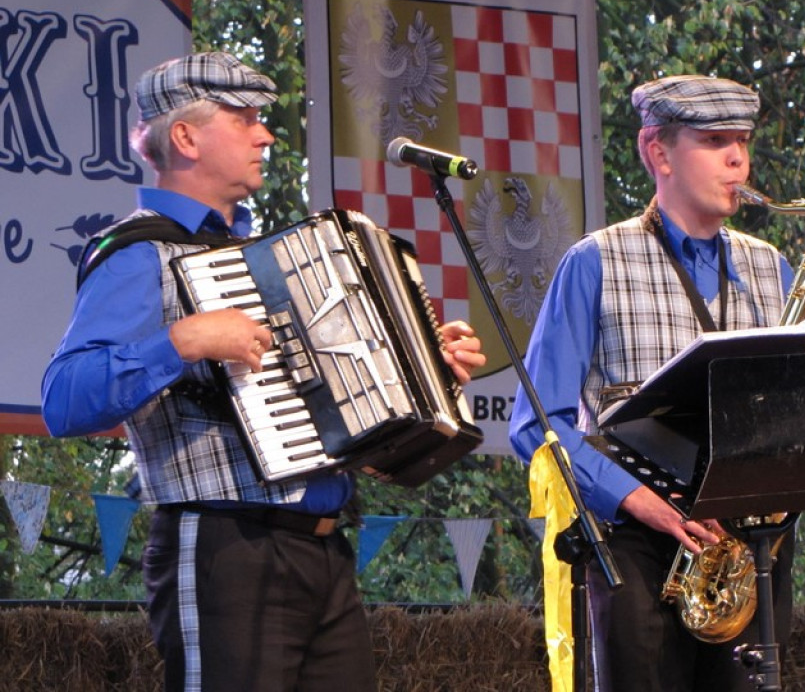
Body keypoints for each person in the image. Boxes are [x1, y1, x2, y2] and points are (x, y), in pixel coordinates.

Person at [41, 51, 486, 692]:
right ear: (187, 136)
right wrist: (182, 340)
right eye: (243, 117)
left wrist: (429, 372)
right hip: (226, 547)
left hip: (326, 550)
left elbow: (337, 405)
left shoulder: (266, 259)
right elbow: (63, 401)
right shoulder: (138, 253)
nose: (266, 133)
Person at [509, 74, 796, 691]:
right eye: (715, 140)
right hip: (638, 550)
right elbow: (536, 423)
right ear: (657, 152)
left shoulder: (773, 268)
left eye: (743, 140)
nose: (738, 159)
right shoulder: (594, 261)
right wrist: (642, 503)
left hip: (750, 558)